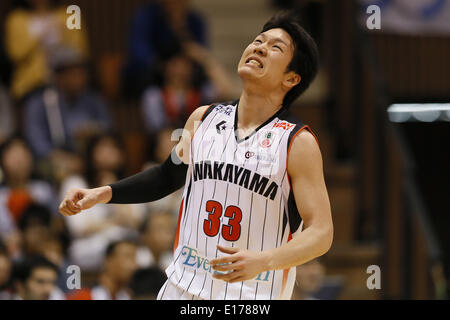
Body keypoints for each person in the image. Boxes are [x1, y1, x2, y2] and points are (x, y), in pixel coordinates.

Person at [59, 11, 333, 300]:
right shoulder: (203, 119)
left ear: (291, 78)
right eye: (258, 40)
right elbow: (167, 176)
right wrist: (103, 193)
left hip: (250, 295)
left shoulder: (297, 142)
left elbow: (322, 232)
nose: (259, 47)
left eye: (275, 47)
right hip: (181, 287)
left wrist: (265, 260)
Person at [67, 240, 138, 300]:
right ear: (108, 261)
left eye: (135, 258)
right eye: (128, 257)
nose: (134, 265)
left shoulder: (129, 296)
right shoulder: (83, 296)